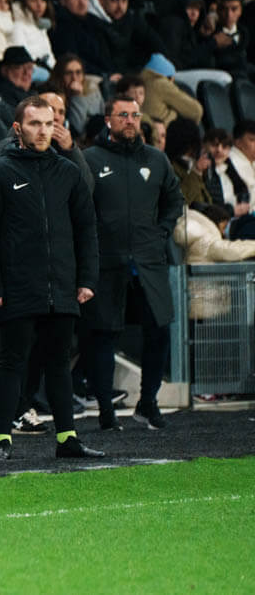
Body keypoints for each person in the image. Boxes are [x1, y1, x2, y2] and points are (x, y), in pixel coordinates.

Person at [0, 95, 103, 460]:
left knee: (59, 364)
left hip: (61, 286)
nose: (43, 131)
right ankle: (2, 439)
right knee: (12, 363)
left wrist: (87, 278)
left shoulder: (68, 172)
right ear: (18, 128)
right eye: (35, 124)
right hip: (17, 287)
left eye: (49, 124)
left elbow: (86, 229)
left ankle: (67, 439)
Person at [82, 95, 184, 431]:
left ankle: (148, 402)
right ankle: (106, 412)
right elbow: (79, 207)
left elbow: (174, 200)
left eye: (135, 115)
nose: (130, 120)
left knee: (160, 329)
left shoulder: (156, 159)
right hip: (106, 262)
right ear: (108, 120)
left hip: (148, 261)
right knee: (104, 334)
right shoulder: (90, 159)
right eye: (122, 115)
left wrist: (161, 231)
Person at [50, 0, 114, 77]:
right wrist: (105, 75)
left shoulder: (94, 21)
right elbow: (71, 60)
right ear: (63, 1)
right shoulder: (61, 26)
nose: (82, 3)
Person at [174, 203, 255, 262]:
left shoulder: (190, 216)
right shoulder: (209, 237)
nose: (224, 234)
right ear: (221, 223)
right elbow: (231, 251)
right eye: (224, 227)